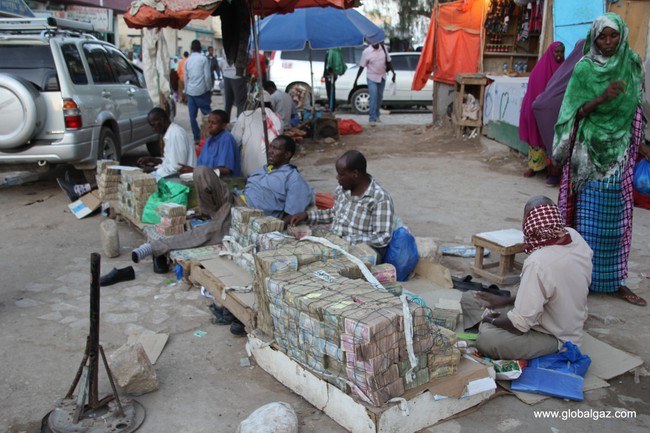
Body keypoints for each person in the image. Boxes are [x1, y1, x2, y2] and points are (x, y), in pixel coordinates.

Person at [552, 13, 648, 307]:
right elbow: (573, 112)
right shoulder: (584, 68)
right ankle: (581, 280)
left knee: (617, 223)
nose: (607, 42)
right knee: (588, 223)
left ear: (622, 35)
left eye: (613, 36)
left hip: (620, 153)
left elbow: (638, 106)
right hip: (589, 154)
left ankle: (614, 281)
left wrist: (641, 143)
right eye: (602, 37)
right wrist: (602, 97)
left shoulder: (632, 63)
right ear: (593, 39)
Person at [131, 135, 312, 264]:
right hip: (232, 198)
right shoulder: (264, 168)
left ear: (288, 155)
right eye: (271, 147)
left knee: (207, 232)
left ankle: (156, 247)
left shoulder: (294, 179)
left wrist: (267, 228)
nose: (271, 151)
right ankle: (215, 217)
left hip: (246, 212)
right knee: (201, 171)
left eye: (276, 149)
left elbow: (290, 215)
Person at [461, 196, 592, 360]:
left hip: (554, 336)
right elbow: (547, 290)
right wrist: (505, 301)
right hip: (551, 315)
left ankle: (484, 326)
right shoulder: (574, 236)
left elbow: (520, 325)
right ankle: (486, 324)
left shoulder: (538, 262)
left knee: (488, 339)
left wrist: (492, 321)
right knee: (470, 298)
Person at [290, 150, 394, 259]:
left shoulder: (379, 199)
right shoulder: (343, 188)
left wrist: (346, 240)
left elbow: (382, 238)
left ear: (355, 174)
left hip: (362, 251)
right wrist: (307, 215)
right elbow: (334, 213)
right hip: (337, 242)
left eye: (341, 175)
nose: (337, 178)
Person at [519, 41, 565, 183]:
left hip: (554, 112)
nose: (558, 55)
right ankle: (535, 166)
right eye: (556, 52)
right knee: (536, 137)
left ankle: (551, 170)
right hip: (539, 110)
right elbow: (534, 90)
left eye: (561, 52)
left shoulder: (564, 70)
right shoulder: (540, 69)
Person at [231, 95, 284, 177]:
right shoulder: (278, 119)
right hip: (270, 169)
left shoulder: (245, 115)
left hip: (248, 170)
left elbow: (234, 141)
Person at [137, 107, 196, 180]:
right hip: (175, 176)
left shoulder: (176, 135)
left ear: (161, 121)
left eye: (153, 125)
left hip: (181, 181)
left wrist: (154, 171)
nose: (153, 129)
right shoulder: (172, 133)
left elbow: (176, 167)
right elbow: (170, 160)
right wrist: (152, 159)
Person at [181, 109, 241, 177]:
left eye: (214, 123)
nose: (209, 126)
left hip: (226, 184)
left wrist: (195, 171)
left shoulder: (227, 139)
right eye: (209, 122)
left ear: (223, 125)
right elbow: (200, 166)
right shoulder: (209, 141)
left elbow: (225, 170)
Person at [354, 42, 395, 126]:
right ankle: (371, 118)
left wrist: (393, 73)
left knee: (379, 97)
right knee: (373, 96)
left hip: (382, 76)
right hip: (371, 77)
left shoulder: (383, 49)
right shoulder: (366, 52)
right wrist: (356, 79)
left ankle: (377, 115)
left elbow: (389, 61)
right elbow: (362, 66)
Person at [184, 40, 212, 145]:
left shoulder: (187, 60)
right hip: (202, 91)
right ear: (200, 48)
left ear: (191, 48)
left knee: (192, 117)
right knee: (208, 115)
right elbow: (207, 77)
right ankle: (209, 136)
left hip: (191, 92)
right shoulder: (203, 59)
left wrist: (186, 91)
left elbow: (186, 78)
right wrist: (209, 89)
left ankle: (196, 138)